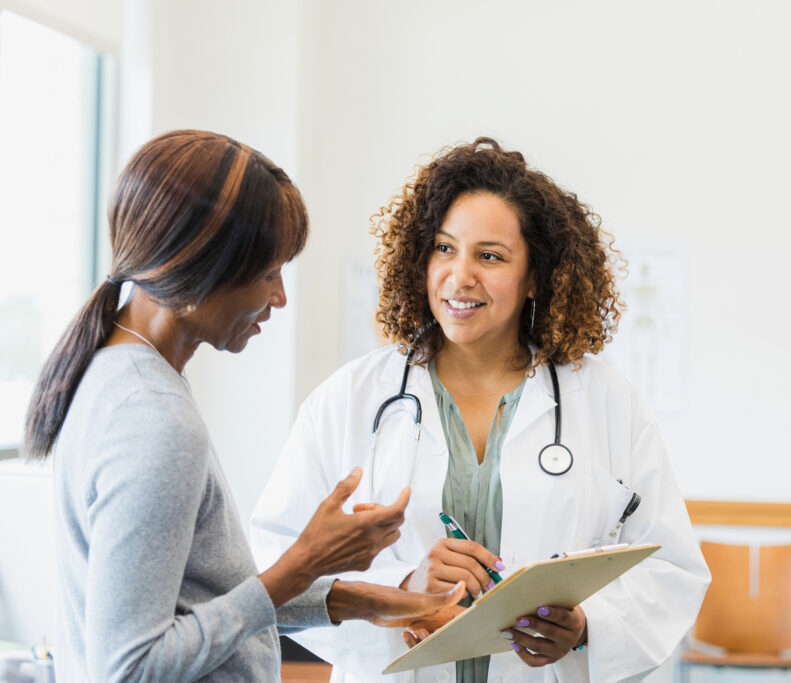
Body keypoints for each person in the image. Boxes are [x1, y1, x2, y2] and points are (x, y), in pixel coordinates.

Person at [250, 137, 710, 682]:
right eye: (445, 249)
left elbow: (672, 568)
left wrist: (587, 624)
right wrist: (401, 589)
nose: (461, 275)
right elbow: (271, 565)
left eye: (490, 256)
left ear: (535, 275)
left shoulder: (605, 401)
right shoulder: (349, 398)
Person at [22, 130, 464, 682]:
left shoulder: (113, 371)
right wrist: (305, 562)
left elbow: (192, 609)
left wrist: (361, 600)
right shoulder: (153, 419)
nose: (279, 297)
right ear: (199, 267)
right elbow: (132, 668)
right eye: (267, 273)